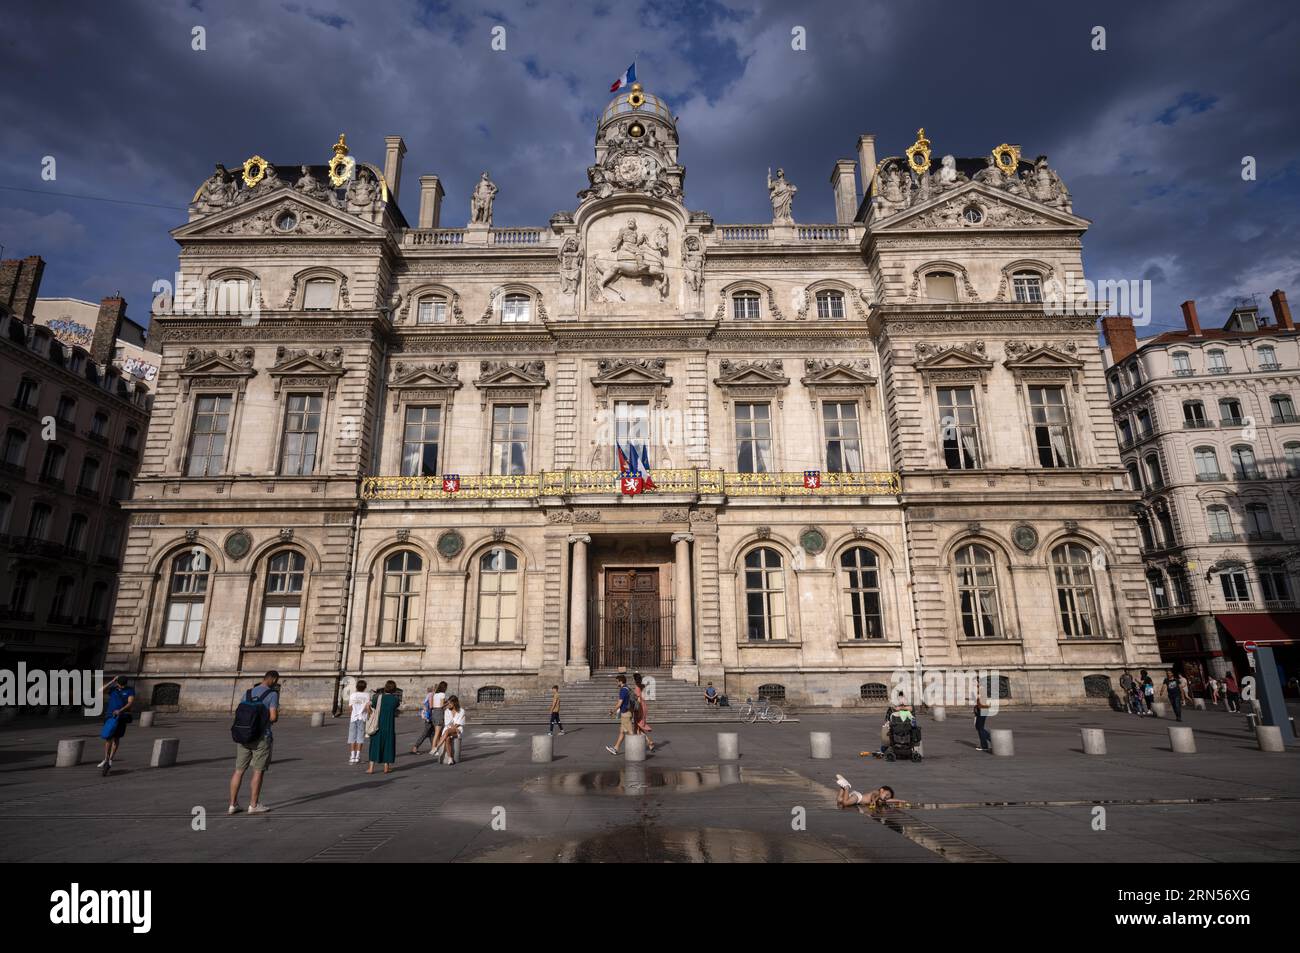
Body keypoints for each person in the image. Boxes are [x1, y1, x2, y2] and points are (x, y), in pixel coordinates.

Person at [229, 671, 279, 815]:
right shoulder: (272, 694)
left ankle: (232, 804)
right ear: (274, 679)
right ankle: (253, 805)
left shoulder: (248, 692)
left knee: (238, 771)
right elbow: (273, 717)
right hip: (261, 737)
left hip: (244, 736)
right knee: (258, 771)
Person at [97, 676, 136, 775]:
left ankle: (110, 759)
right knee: (108, 737)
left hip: (121, 717)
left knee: (116, 738)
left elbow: (130, 702)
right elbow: (100, 690)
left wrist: (120, 710)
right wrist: (111, 681)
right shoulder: (113, 689)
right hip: (110, 716)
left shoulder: (130, 690)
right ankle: (106, 758)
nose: (121, 686)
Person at [367, 680, 400, 774]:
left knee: (374, 745)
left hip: (377, 724)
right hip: (389, 726)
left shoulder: (377, 697)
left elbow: (371, 707)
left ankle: (371, 768)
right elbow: (396, 708)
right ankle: (386, 767)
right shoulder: (395, 699)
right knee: (388, 745)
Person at [834, 775, 899, 814]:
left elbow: (890, 800)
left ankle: (842, 786)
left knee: (839, 800)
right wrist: (873, 800)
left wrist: (902, 801)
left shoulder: (881, 798)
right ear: (882, 790)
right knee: (845, 803)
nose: (886, 798)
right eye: (887, 795)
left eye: (887, 797)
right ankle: (847, 787)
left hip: (856, 796)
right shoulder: (877, 792)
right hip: (858, 797)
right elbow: (873, 795)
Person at [605, 674, 634, 755]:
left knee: (631, 732)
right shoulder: (627, 688)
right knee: (622, 732)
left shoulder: (623, 690)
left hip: (625, 713)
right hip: (627, 712)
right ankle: (615, 748)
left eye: (617, 681)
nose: (616, 683)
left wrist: (613, 711)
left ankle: (638, 748)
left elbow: (620, 703)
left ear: (621, 681)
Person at [433, 695, 466, 764]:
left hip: (458, 730)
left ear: (455, 703)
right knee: (447, 737)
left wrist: (455, 727)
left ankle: (436, 748)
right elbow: (447, 723)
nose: (448, 705)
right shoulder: (447, 711)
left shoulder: (461, 711)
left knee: (447, 731)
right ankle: (450, 758)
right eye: (448, 703)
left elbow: (459, 723)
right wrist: (454, 727)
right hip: (450, 729)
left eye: (450, 703)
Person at [410, 684, 440, 755]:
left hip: (430, 717)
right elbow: (431, 706)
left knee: (431, 733)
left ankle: (433, 748)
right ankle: (415, 748)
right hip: (429, 717)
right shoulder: (431, 695)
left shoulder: (430, 695)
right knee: (425, 733)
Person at [347, 679, 371, 764]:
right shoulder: (367, 695)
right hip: (362, 718)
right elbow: (367, 708)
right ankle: (358, 756)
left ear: (357, 687)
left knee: (352, 737)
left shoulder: (353, 695)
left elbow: (350, 707)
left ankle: (352, 756)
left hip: (353, 718)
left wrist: (353, 713)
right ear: (365, 687)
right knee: (360, 737)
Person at [632, 672, 656, 753]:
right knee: (638, 727)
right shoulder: (641, 686)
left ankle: (644, 744)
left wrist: (637, 710)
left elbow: (638, 700)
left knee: (637, 726)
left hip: (640, 707)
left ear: (634, 680)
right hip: (644, 705)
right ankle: (649, 743)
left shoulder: (637, 687)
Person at [973, 686, 992, 752]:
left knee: (980, 728)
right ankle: (990, 740)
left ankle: (985, 745)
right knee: (979, 727)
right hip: (981, 710)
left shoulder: (982, 691)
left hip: (982, 711)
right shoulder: (981, 692)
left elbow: (983, 704)